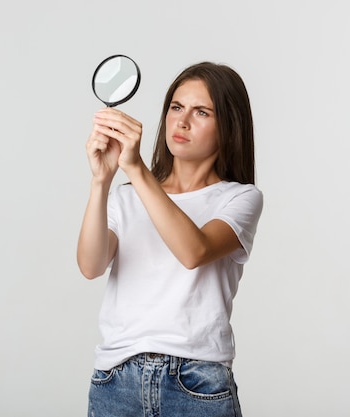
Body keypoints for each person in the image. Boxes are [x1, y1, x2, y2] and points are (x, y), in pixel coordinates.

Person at [77, 61, 263, 417]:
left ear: (228, 125)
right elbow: (90, 265)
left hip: (196, 382)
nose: (182, 121)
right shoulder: (126, 197)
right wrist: (101, 182)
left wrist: (135, 168)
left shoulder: (239, 198)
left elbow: (194, 251)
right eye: (176, 107)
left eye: (202, 112)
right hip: (116, 379)